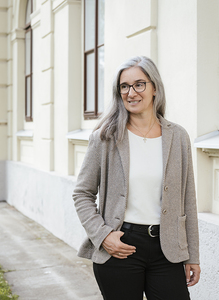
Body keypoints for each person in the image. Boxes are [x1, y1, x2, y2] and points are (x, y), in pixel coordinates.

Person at [73, 56, 200, 300]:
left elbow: (188, 199)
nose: (131, 92)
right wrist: (103, 235)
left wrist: (192, 255)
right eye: (124, 86)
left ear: (154, 88)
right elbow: (82, 193)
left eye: (139, 84)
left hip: (168, 250)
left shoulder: (178, 137)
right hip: (120, 247)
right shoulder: (105, 137)